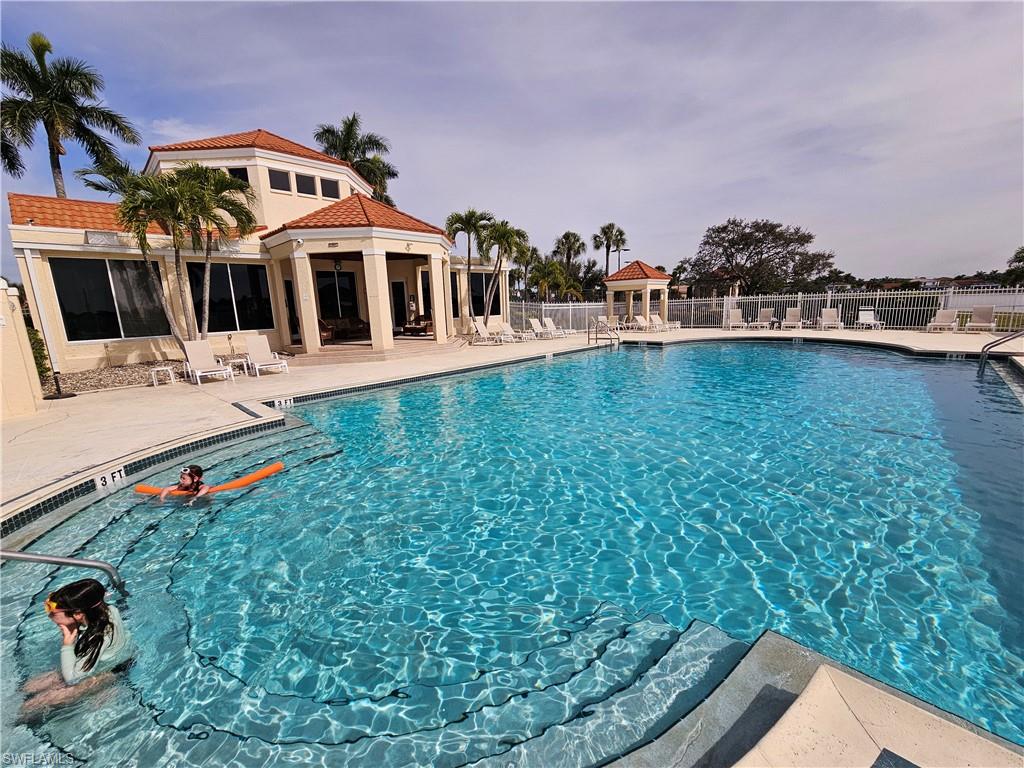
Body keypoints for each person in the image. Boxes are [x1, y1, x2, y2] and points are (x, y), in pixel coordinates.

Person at [21, 578, 132, 713]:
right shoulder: (107, 610)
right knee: (29, 686)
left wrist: (67, 644)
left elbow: (73, 680)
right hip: (107, 660)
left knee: (32, 706)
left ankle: (108, 688)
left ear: (78, 614)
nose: (49, 615)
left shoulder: (96, 638)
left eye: (52, 611)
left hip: (112, 671)